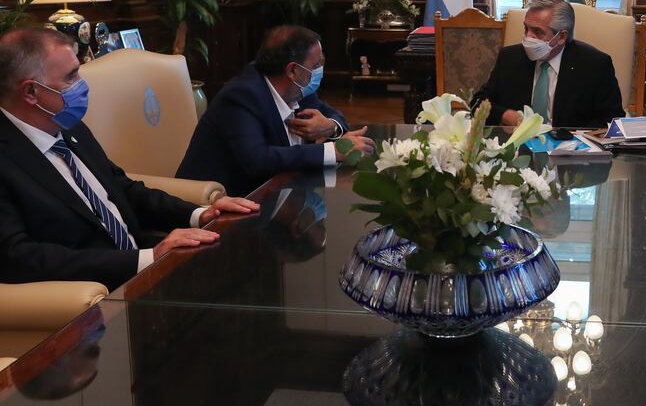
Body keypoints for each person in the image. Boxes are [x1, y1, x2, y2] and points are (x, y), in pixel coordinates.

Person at [0, 28, 260, 291]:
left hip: (145, 269)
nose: (83, 85)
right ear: (31, 92)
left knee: (247, 275)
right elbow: (19, 257)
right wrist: (145, 259)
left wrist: (199, 214)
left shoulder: (68, 126)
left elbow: (123, 189)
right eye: (71, 77)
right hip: (91, 297)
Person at [176, 25, 375, 194]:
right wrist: (333, 151)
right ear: (292, 71)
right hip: (215, 206)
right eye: (316, 65)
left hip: (278, 198)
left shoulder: (299, 89)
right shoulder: (240, 97)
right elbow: (258, 160)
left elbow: (333, 115)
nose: (320, 71)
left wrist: (330, 126)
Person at [472, 0, 624, 128]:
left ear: (561, 37)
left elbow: (612, 119)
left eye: (537, 31)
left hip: (571, 152)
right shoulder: (510, 58)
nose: (528, 37)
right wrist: (505, 115)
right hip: (519, 149)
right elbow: (477, 103)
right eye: (526, 29)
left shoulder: (595, 64)